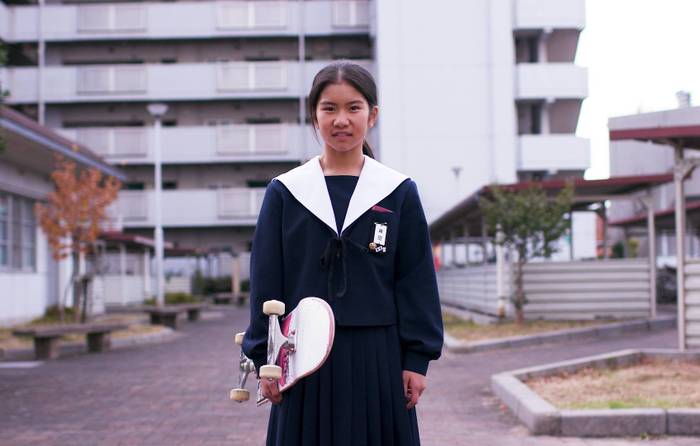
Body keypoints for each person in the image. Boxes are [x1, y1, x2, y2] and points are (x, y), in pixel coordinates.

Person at [242, 60, 443, 446]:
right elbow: (266, 281)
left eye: (353, 108)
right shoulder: (286, 191)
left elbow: (415, 279)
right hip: (299, 356)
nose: (341, 120)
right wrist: (264, 360)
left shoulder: (397, 191)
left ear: (373, 115)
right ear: (313, 117)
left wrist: (416, 361)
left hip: (379, 356)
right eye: (329, 108)